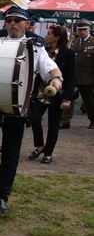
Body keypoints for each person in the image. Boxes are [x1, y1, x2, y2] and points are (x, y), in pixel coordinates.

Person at [0, 7, 62, 216]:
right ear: (5, 24)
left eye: (18, 20)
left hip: (18, 106)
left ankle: (1, 197)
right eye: (9, 20)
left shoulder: (35, 47)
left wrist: (57, 79)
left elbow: (51, 69)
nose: (13, 23)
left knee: (11, 154)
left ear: (27, 24)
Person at [28, 25, 75, 163]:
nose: (46, 36)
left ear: (57, 37)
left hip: (58, 94)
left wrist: (67, 98)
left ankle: (48, 152)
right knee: (35, 119)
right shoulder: (44, 51)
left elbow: (71, 77)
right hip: (41, 93)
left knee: (53, 125)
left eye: (49, 34)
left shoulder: (68, 53)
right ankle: (39, 145)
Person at [68, 20, 94, 128]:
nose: (82, 32)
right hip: (73, 76)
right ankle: (65, 120)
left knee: (89, 101)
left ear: (89, 30)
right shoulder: (74, 42)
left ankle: (93, 120)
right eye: (80, 30)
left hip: (88, 76)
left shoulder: (93, 42)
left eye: (84, 29)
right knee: (68, 98)